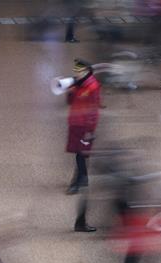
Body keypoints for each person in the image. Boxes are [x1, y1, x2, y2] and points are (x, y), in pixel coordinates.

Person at [65, 59, 100, 234]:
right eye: (75, 71)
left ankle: (81, 180)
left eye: (79, 71)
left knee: (81, 154)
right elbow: (70, 102)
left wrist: (90, 130)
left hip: (84, 126)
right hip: (75, 123)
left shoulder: (92, 87)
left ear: (86, 71)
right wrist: (70, 91)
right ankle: (78, 180)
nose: (76, 74)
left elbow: (94, 110)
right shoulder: (78, 85)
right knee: (77, 152)